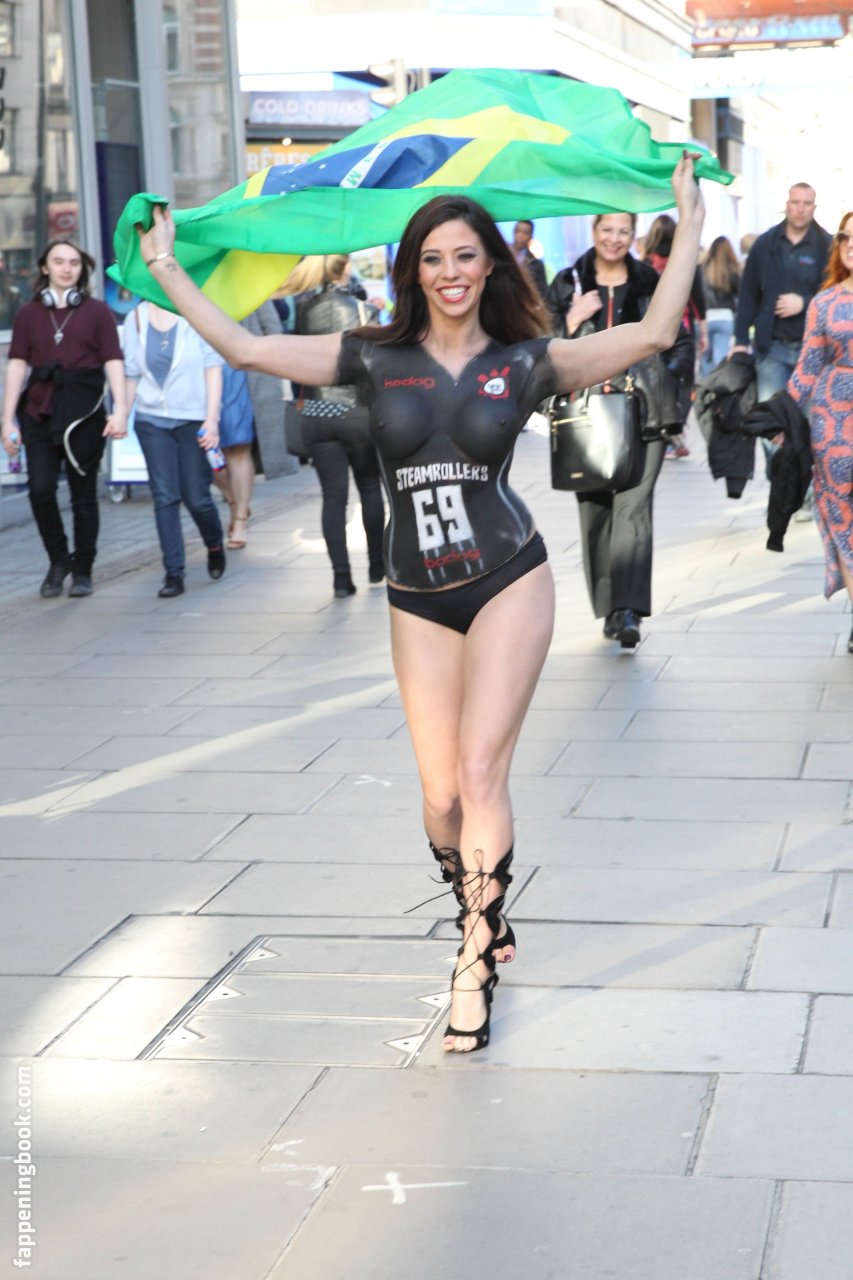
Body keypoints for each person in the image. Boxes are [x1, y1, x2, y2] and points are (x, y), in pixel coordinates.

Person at [136, 154, 704, 1053]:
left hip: (508, 577)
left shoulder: (524, 361)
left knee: (480, 775)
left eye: (465, 256)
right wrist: (167, 266)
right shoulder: (371, 355)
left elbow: (653, 332)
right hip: (416, 596)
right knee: (440, 798)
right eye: (433, 258)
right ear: (413, 271)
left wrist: (689, 218)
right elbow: (246, 349)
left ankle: (473, 961)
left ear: (490, 266)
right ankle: (479, 900)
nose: (449, 272)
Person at [546, 211, 678, 648]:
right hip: (584, 415)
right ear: (594, 231)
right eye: (607, 230)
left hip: (645, 411)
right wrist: (570, 321)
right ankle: (608, 606)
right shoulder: (568, 282)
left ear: (634, 235)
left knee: (633, 508)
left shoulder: (649, 283)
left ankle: (628, 610)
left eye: (624, 231)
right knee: (597, 513)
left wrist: (673, 381)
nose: (614, 238)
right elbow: (538, 343)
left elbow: (679, 337)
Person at [0, 239, 128, 598]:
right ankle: (59, 560)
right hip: (39, 409)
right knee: (40, 490)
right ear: (45, 267)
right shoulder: (28, 314)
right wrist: (7, 420)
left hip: (84, 412)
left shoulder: (98, 312)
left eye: (73, 262)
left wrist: (120, 410)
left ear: (81, 269)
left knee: (83, 495)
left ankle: (83, 568)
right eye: (59, 262)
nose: (66, 268)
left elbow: (113, 361)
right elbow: (17, 365)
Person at [280, 254, 386, 597]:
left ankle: (341, 578)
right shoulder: (363, 311)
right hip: (357, 413)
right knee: (370, 488)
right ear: (346, 268)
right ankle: (376, 566)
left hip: (316, 413)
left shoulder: (303, 310)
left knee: (333, 498)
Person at [121, 300, 226, 597]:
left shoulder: (195, 312)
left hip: (194, 419)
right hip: (151, 419)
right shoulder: (136, 318)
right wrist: (121, 414)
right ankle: (174, 573)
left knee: (197, 498)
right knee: (165, 496)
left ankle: (214, 544)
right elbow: (131, 373)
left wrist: (212, 420)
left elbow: (213, 368)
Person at [787, 212, 853, 648]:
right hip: (833, 425)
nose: (851, 243)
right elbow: (808, 367)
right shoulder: (824, 302)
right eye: (846, 236)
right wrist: (780, 415)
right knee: (841, 517)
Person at [644, 212, 707, 458]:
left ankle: (664, 431)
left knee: (659, 378)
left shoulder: (645, 263)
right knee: (684, 381)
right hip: (682, 329)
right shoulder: (685, 260)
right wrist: (703, 331)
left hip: (652, 329)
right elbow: (697, 299)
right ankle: (677, 429)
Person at [700, 235, 740, 377]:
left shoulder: (702, 270)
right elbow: (742, 297)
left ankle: (704, 387)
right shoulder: (732, 271)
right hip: (726, 318)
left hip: (705, 319)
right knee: (721, 362)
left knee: (705, 363)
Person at [511, 220, 548, 300]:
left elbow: (542, 291)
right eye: (518, 231)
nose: (520, 235)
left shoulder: (536, 264)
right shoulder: (503, 257)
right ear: (513, 232)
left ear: (530, 236)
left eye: (525, 233)